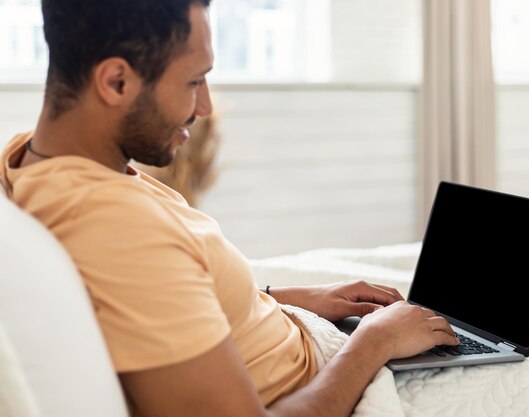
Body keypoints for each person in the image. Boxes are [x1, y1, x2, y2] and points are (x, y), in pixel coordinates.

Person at [0, 1, 459, 416]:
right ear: (116, 81)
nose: (204, 105)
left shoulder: (29, 158)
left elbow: (172, 299)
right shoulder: (113, 227)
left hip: (310, 337)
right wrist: (375, 342)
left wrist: (287, 299)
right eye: (194, 80)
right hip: (339, 379)